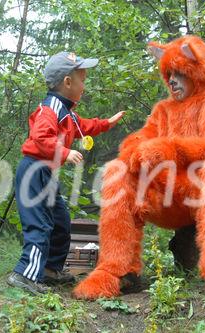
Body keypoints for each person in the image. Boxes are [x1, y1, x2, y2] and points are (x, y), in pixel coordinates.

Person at [7, 51, 125, 295]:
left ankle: (49, 270)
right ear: (67, 82)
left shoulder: (66, 111)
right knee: (40, 225)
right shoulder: (50, 109)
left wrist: (107, 123)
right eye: (83, 78)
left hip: (46, 175)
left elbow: (85, 127)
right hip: (34, 171)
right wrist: (64, 152)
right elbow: (40, 138)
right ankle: (23, 275)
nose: (85, 84)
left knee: (60, 222)